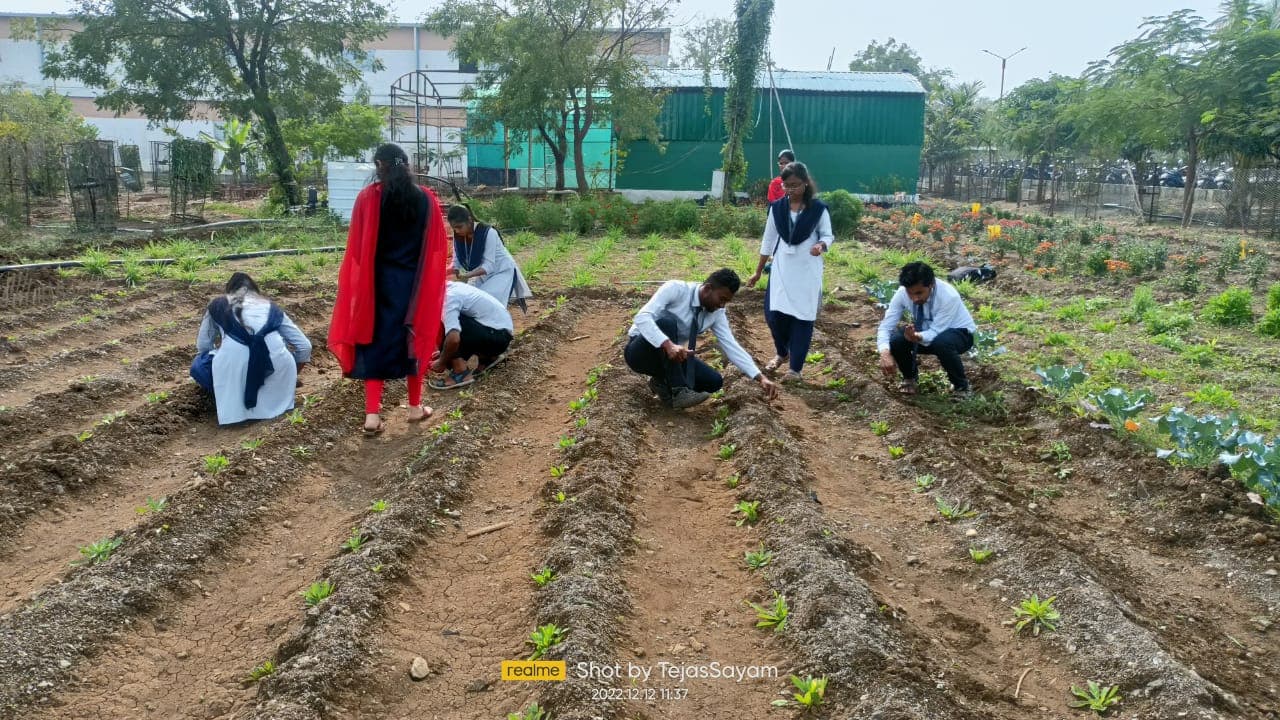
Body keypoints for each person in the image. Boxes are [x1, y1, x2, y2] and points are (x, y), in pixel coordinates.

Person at [328, 143, 449, 435]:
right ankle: (415, 408)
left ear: (379, 165)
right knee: (415, 340)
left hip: (377, 285)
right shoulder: (426, 199)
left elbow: (356, 251)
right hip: (414, 285)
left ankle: (372, 416)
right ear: (406, 165)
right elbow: (437, 247)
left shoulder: (368, 198)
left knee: (374, 343)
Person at [625, 268, 779, 409]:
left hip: (668, 359)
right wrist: (668, 344)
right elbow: (642, 317)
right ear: (707, 289)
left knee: (713, 381)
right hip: (640, 353)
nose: (722, 305)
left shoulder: (716, 313)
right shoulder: (676, 289)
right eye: (721, 299)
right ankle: (679, 391)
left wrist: (760, 378)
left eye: (726, 301)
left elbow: (731, 345)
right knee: (667, 322)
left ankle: (661, 381)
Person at [747, 162, 834, 383]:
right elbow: (768, 241)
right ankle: (782, 352)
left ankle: (795, 369)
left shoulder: (818, 209)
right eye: (786, 186)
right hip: (782, 270)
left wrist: (821, 246)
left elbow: (827, 235)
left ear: (805, 183)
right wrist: (758, 272)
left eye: (795, 185)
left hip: (807, 271)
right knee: (774, 316)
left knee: (802, 320)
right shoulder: (777, 208)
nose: (790, 190)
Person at [190, 272, 312, 425]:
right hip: (277, 368)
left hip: (233, 367)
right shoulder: (271, 307)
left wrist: (223, 352)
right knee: (279, 352)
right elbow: (305, 346)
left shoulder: (218, 305)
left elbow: (203, 346)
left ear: (230, 291)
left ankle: (229, 395)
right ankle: (276, 390)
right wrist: (292, 375)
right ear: (255, 291)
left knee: (200, 364)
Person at [877, 261, 978, 397]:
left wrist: (918, 337)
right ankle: (909, 378)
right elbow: (886, 326)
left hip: (959, 334)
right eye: (910, 293)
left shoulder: (948, 296)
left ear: (931, 285)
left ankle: (961, 387)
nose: (914, 298)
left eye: (919, 293)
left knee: (942, 342)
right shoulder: (902, 294)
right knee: (896, 340)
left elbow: (936, 332)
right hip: (925, 334)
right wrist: (884, 352)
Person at [429, 280, 515, 389]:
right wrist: (444, 352)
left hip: (496, 336)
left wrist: (442, 361)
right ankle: (487, 358)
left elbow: (454, 339)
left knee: (450, 327)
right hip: (501, 336)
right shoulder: (455, 287)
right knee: (452, 327)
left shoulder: (449, 297)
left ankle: (460, 373)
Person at [446, 204, 533, 311]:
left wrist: (467, 275)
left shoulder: (488, 233)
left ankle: (500, 326)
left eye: (459, 227)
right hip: (481, 275)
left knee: (486, 303)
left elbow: (488, 266)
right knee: (467, 302)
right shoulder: (458, 235)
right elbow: (456, 263)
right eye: (454, 228)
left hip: (501, 272)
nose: (457, 231)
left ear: (469, 220)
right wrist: (442, 273)